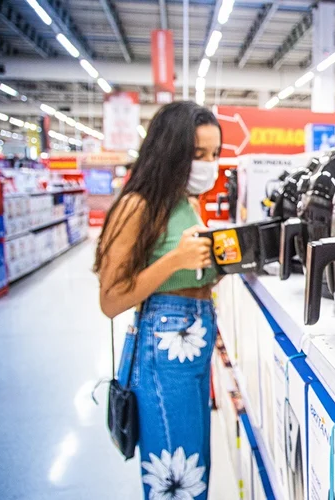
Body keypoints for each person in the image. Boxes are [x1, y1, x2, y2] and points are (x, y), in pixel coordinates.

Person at [94, 101, 221, 500]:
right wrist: (174, 261)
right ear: (172, 150)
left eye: (214, 154)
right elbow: (111, 300)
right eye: (198, 154)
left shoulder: (187, 202)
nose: (208, 164)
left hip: (194, 341)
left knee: (194, 462)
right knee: (174, 473)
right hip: (163, 348)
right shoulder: (137, 206)